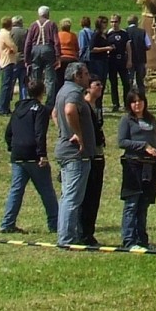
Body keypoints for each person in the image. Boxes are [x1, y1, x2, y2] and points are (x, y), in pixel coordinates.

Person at [0, 79, 58, 234]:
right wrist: (42, 155)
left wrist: (11, 146)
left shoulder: (18, 108)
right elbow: (40, 133)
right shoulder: (40, 110)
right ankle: (55, 223)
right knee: (46, 190)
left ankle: (7, 223)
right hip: (33, 154)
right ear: (42, 92)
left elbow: (8, 132)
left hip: (17, 154)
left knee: (16, 190)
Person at [53, 62, 96, 247]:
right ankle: (67, 239)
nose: (89, 77)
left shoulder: (62, 90)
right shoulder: (74, 93)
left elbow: (55, 113)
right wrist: (77, 134)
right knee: (72, 198)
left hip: (66, 151)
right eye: (86, 74)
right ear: (77, 76)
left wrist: (63, 132)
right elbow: (69, 111)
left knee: (66, 197)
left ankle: (67, 236)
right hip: (75, 155)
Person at [117, 88, 156, 250]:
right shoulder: (127, 120)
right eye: (133, 101)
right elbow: (122, 142)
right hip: (133, 165)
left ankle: (142, 240)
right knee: (132, 203)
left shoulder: (151, 119)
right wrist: (143, 146)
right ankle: (129, 240)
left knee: (144, 204)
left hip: (150, 167)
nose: (137, 104)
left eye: (140, 101)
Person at [78, 76, 107, 245]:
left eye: (101, 84)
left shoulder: (98, 106)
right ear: (88, 88)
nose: (100, 87)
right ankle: (82, 232)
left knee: (95, 196)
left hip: (99, 154)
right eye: (97, 85)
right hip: (88, 155)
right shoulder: (83, 105)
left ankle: (90, 232)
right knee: (86, 196)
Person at [23, 7, 60, 106]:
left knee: (35, 77)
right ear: (48, 14)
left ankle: (34, 100)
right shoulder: (52, 24)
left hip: (35, 49)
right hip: (48, 49)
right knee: (50, 79)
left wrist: (27, 58)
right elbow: (56, 41)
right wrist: (58, 56)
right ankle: (49, 103)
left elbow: (28, 42)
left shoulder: (33, 25)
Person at [102, 14, 130, 111]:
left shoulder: (124, 33)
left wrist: (129, 60)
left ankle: (126, 104)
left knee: (126, 83)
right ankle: (115, 104)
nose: (114, 24)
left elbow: (128, 47)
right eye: (112, 22)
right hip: (111, 61)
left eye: (116, 22)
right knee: (113, 83)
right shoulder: (107, 34)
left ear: (119, 22)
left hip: (122, 60)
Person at [0, 16, 20, 115]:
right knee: (6, 86)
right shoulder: (5, 34)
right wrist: (14, 49)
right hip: (7, 61)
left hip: (5, 60)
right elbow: (13, 47)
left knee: (7, 85)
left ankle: (4, 107)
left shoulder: (1, 33)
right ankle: (2, 108)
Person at [124, 15, 149, 97]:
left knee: (129, 80)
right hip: (140, 59)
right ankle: (141, 96)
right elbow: (148, 45)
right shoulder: (142, 32)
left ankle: (130, 96)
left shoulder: (125, 32)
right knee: (140, 80)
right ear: (137, 22)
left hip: (128, 60)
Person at [9, 16, 28, 101]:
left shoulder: (11, 32)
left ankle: (8, 99)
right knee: (23, 82)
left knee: (11, 81)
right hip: (24, 59)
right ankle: (23, 100)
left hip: (14, 59)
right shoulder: (26, 32)